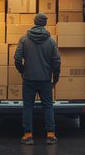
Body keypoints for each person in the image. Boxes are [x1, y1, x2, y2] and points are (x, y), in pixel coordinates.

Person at [14, 13, 61, 145]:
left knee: (28, 106)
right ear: (45, 24)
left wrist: (22, 70)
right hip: (45, 79)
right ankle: (51, 135)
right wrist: (55, 78)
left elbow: (17, 58)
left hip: (29, 79)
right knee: (48, 106)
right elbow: (56, 62)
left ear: (34, 22)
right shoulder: (51, 41)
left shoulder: (24, 39)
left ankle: (28, 136)